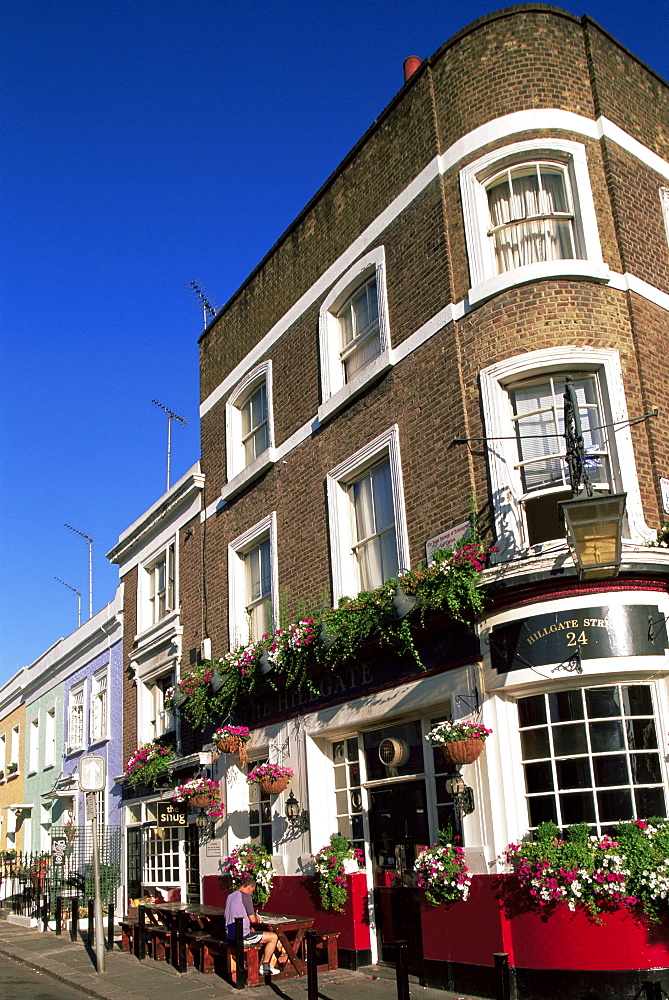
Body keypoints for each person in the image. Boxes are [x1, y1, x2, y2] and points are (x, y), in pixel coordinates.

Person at [224, 878, 279, 976]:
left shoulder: (230, 896)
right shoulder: (245, 896)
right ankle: (265, 966)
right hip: (242, 937)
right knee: (273, 937)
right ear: (250, 887)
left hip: (230, 935)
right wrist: (258, 918)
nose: (251, 893)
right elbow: (253, 919)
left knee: (256, 934)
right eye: (252, 891)